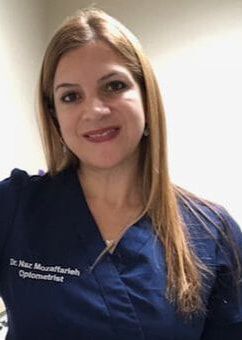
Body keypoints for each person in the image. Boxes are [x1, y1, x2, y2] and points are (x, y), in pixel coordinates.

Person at [0, 7, 241, 340]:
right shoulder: (15, 206)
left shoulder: (212, 233)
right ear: (54, 116)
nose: (95, 111)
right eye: (71, 96)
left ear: (146, 96)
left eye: (113, 86)